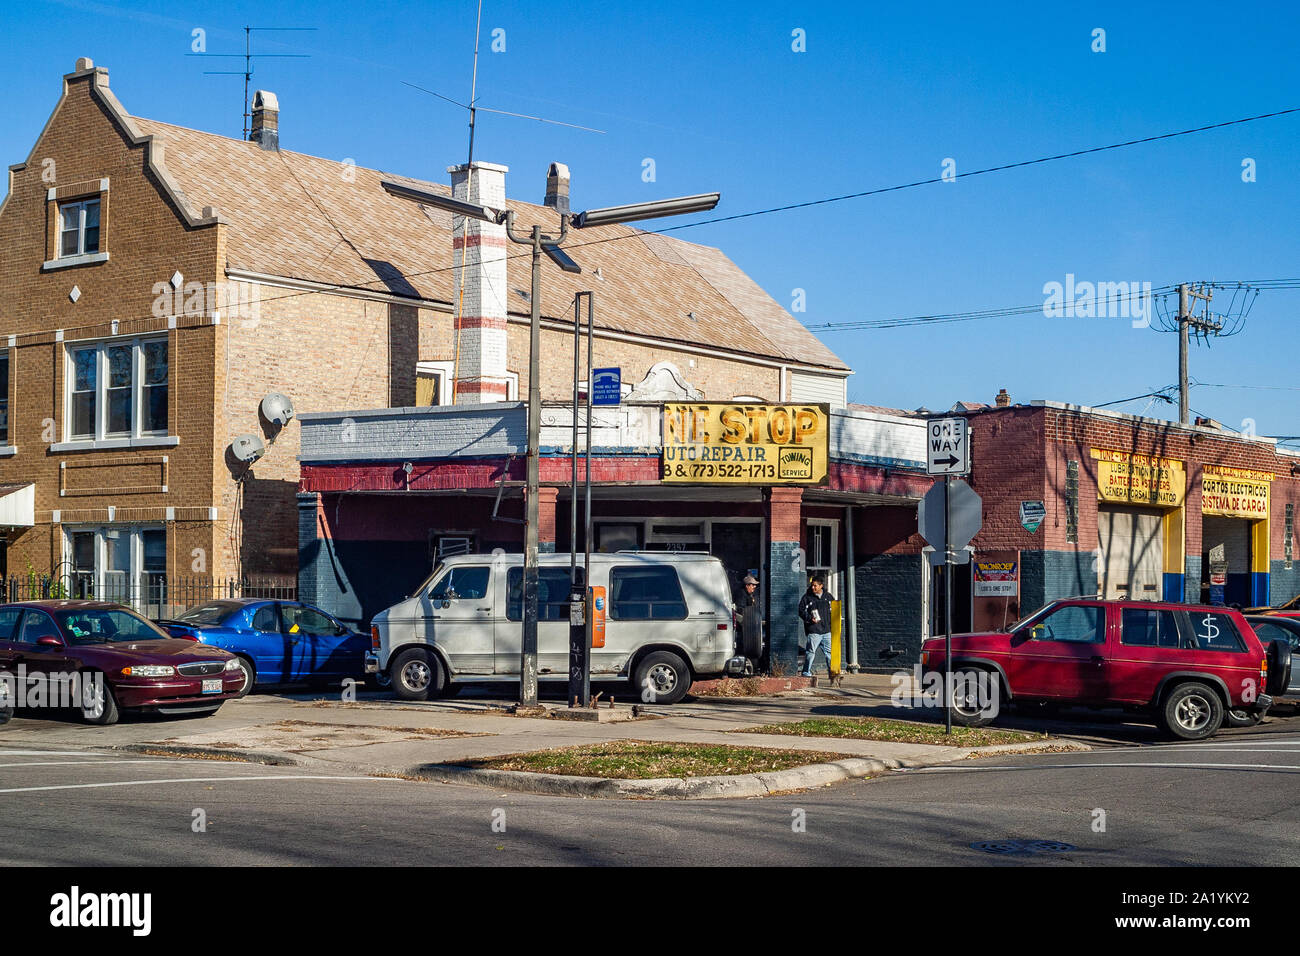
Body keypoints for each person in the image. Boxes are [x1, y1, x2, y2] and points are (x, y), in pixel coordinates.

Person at [797, 575, 839, 686]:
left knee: (829, 654)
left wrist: (832, 626)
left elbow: (834, 612)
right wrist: (810, 618)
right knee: (810, 653)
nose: (813, 588)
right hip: (814, 631)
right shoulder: (807, 597)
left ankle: (833, 675)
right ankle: (806, 672)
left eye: (815, 586)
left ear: (821, 586)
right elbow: (801, 611)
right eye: (812, 586)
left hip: (826, 631)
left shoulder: (828, 597)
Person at [735, 574, 763, 666]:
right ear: (747, 585)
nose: (754, 587)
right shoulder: (741, 595)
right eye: (752, 584)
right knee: (741, 647)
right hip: (743, 628)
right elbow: (741, 610)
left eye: (755, 585)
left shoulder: (752, 596)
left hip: (750, 627)